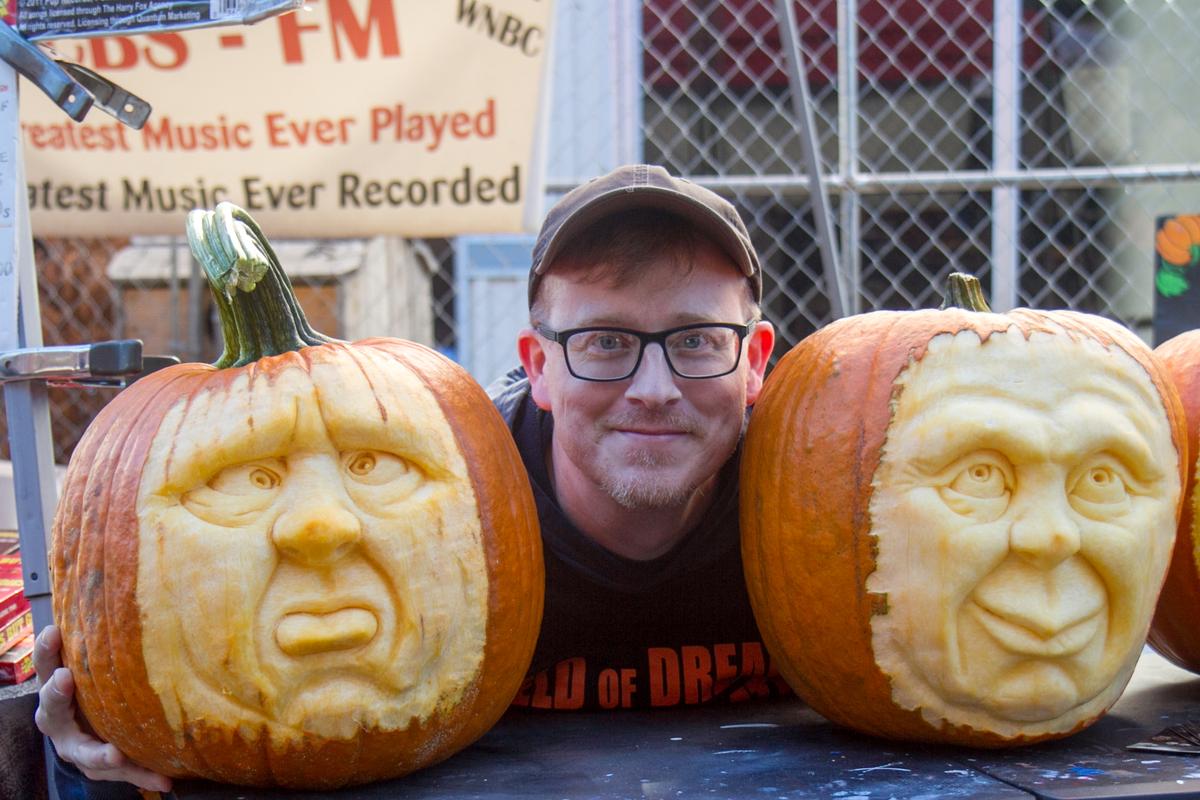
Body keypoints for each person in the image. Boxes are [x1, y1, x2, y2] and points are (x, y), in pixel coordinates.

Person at [32, 164, 786, 795]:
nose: (653, 388)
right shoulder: (449, 492)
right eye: (606, 341)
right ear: (538, 367)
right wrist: (106, 729)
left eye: (697, 340)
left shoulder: (817, 492)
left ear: (754, 362)